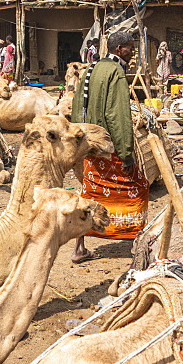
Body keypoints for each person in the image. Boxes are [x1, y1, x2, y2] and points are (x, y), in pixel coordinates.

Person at [70, 30, 149, 263]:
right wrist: (126, 154)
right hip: (108, 145)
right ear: (118, 49)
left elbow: (77, 105)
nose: (132, 52)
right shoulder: (115, 71)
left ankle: (79, 247)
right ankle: (133, 240)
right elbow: (118, 115)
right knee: (139, 187)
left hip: (88, 145)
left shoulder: (91, 68)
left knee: (91, 191)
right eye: (129, 48)